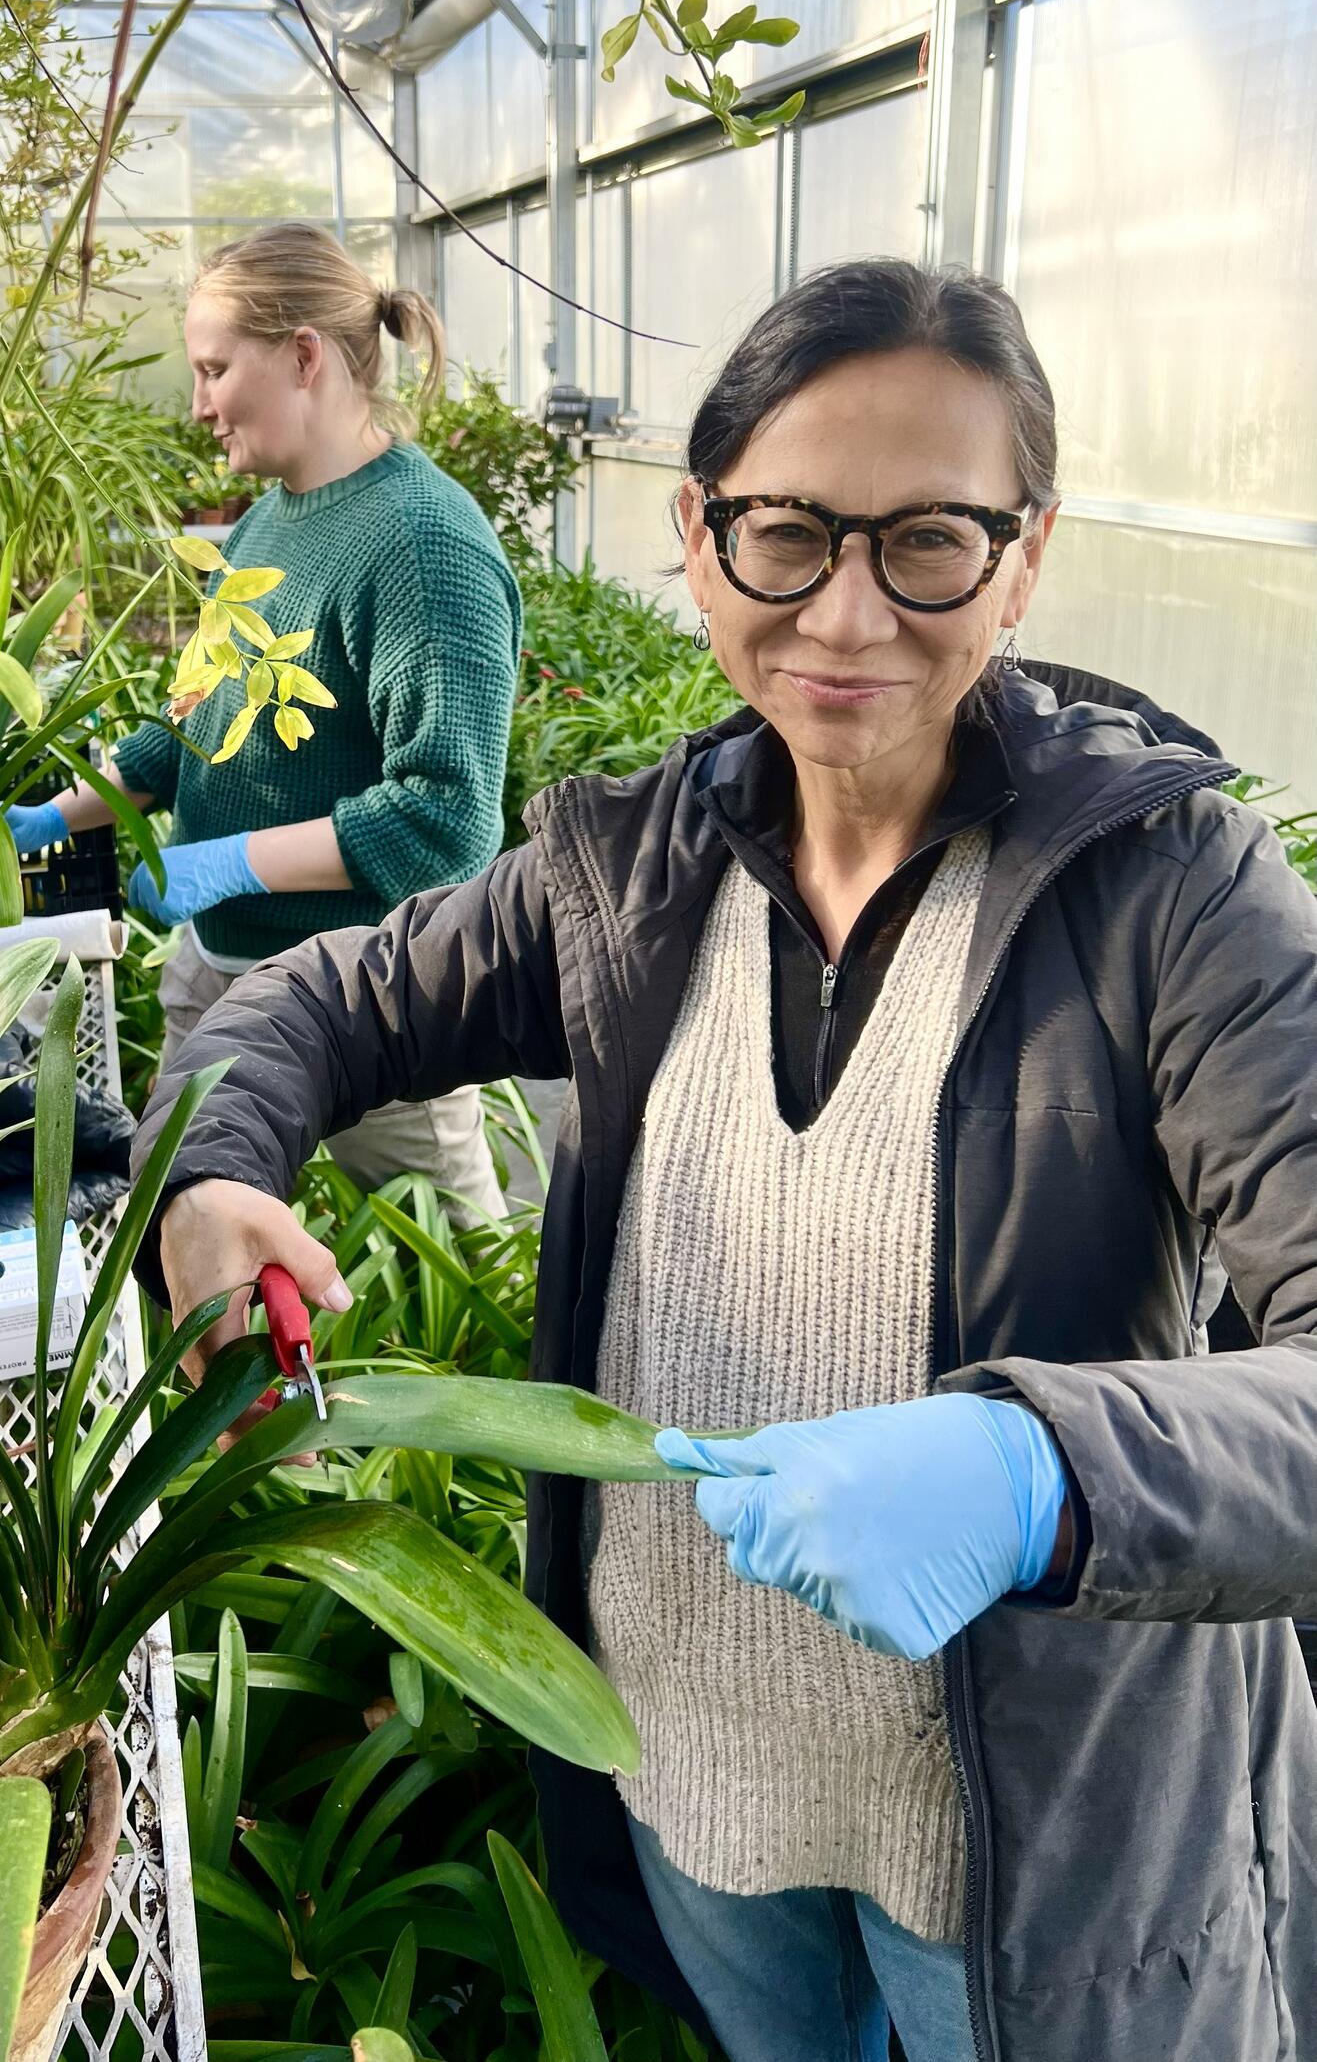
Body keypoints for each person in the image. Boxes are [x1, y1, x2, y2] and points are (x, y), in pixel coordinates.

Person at [121, 258, 1317, 2062]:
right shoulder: (631, 870)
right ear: (695, 534)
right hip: (697, 1778)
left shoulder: (1171, 899)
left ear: (1028, 551)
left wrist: (1042, 1470)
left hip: (1027, 1855)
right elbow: (317, 1008)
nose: (846, 613)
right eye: (785, 533)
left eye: (930, 540)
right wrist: (214, 1173)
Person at [8, 221, 519, 1218]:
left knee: (444, 1269)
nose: (198, 403)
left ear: (301, 355)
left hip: (372, 994)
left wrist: (224, 860)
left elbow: (442, 820)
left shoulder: (421, 544)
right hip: (223, 967)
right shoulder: (267, 517)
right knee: (192, 1220)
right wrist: (59, 815)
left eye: (212, 368)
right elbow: (197, 710)